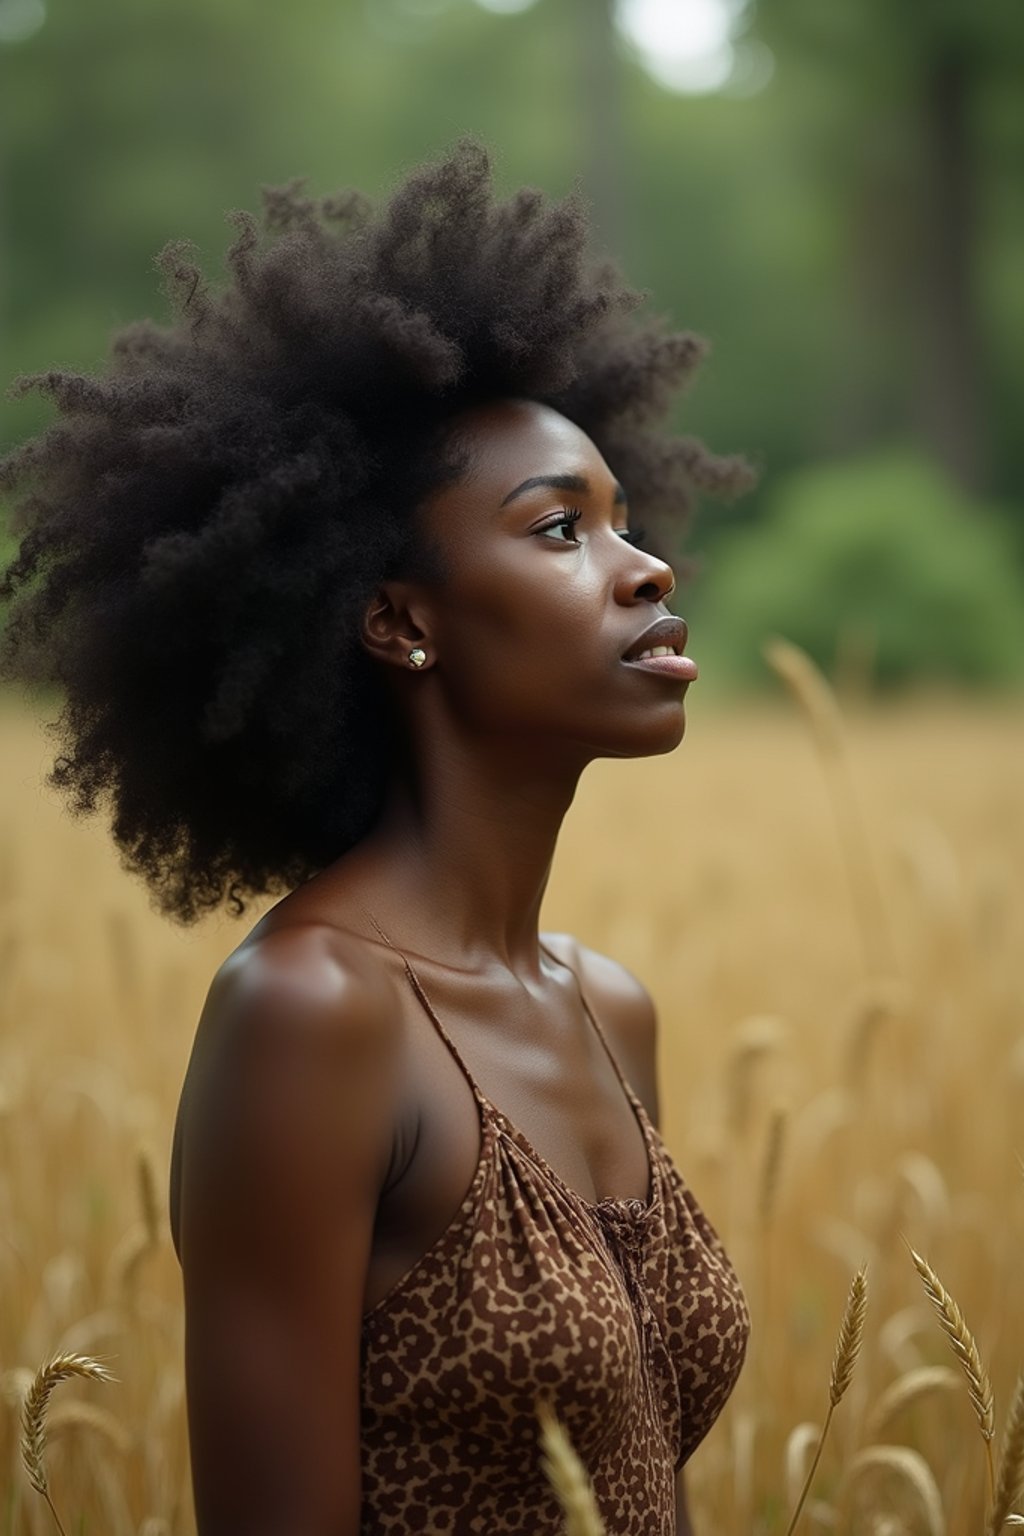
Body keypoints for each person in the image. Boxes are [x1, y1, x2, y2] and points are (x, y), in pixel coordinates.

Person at [0, 143, 752, 1536]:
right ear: (402, 620)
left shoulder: (609, 1010)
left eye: (625, 519)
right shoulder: (311, 1016)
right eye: (558, 529)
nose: (646, 566)